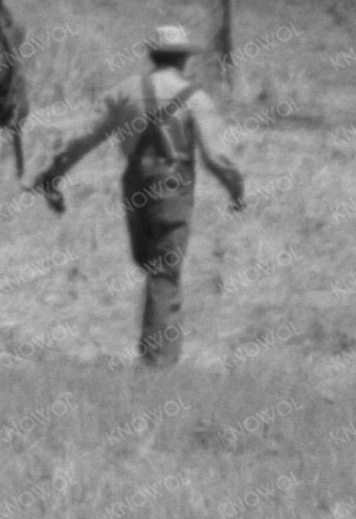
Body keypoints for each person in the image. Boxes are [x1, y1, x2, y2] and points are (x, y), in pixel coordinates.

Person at [30, 22, 246, 367]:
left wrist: (54, 173)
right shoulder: (196, 98)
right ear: (184, 60)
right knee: (165, 271)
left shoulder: (125, 92)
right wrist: (235, 187)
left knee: (151, 264)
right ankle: (158, 362)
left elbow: (85, 137)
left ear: (152, 55)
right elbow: (216, 156)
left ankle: (155, 350)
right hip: (173, 187)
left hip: (135, 185)